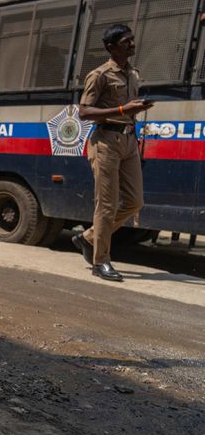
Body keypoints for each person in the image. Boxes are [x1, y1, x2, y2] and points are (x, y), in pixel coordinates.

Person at [71, 24, 152, 282]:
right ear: (111, 47)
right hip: (105, 141)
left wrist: (134, 110)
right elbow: (84, 112)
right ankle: (101, 261)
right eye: (126, 41)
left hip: (129, 141)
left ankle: (88, 238)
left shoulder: (134, 74)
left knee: (135, 202)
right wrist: (121, 109)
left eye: (132, 39)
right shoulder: (99, 75)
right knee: (105, 205)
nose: (132, 44)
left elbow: (127, 108)